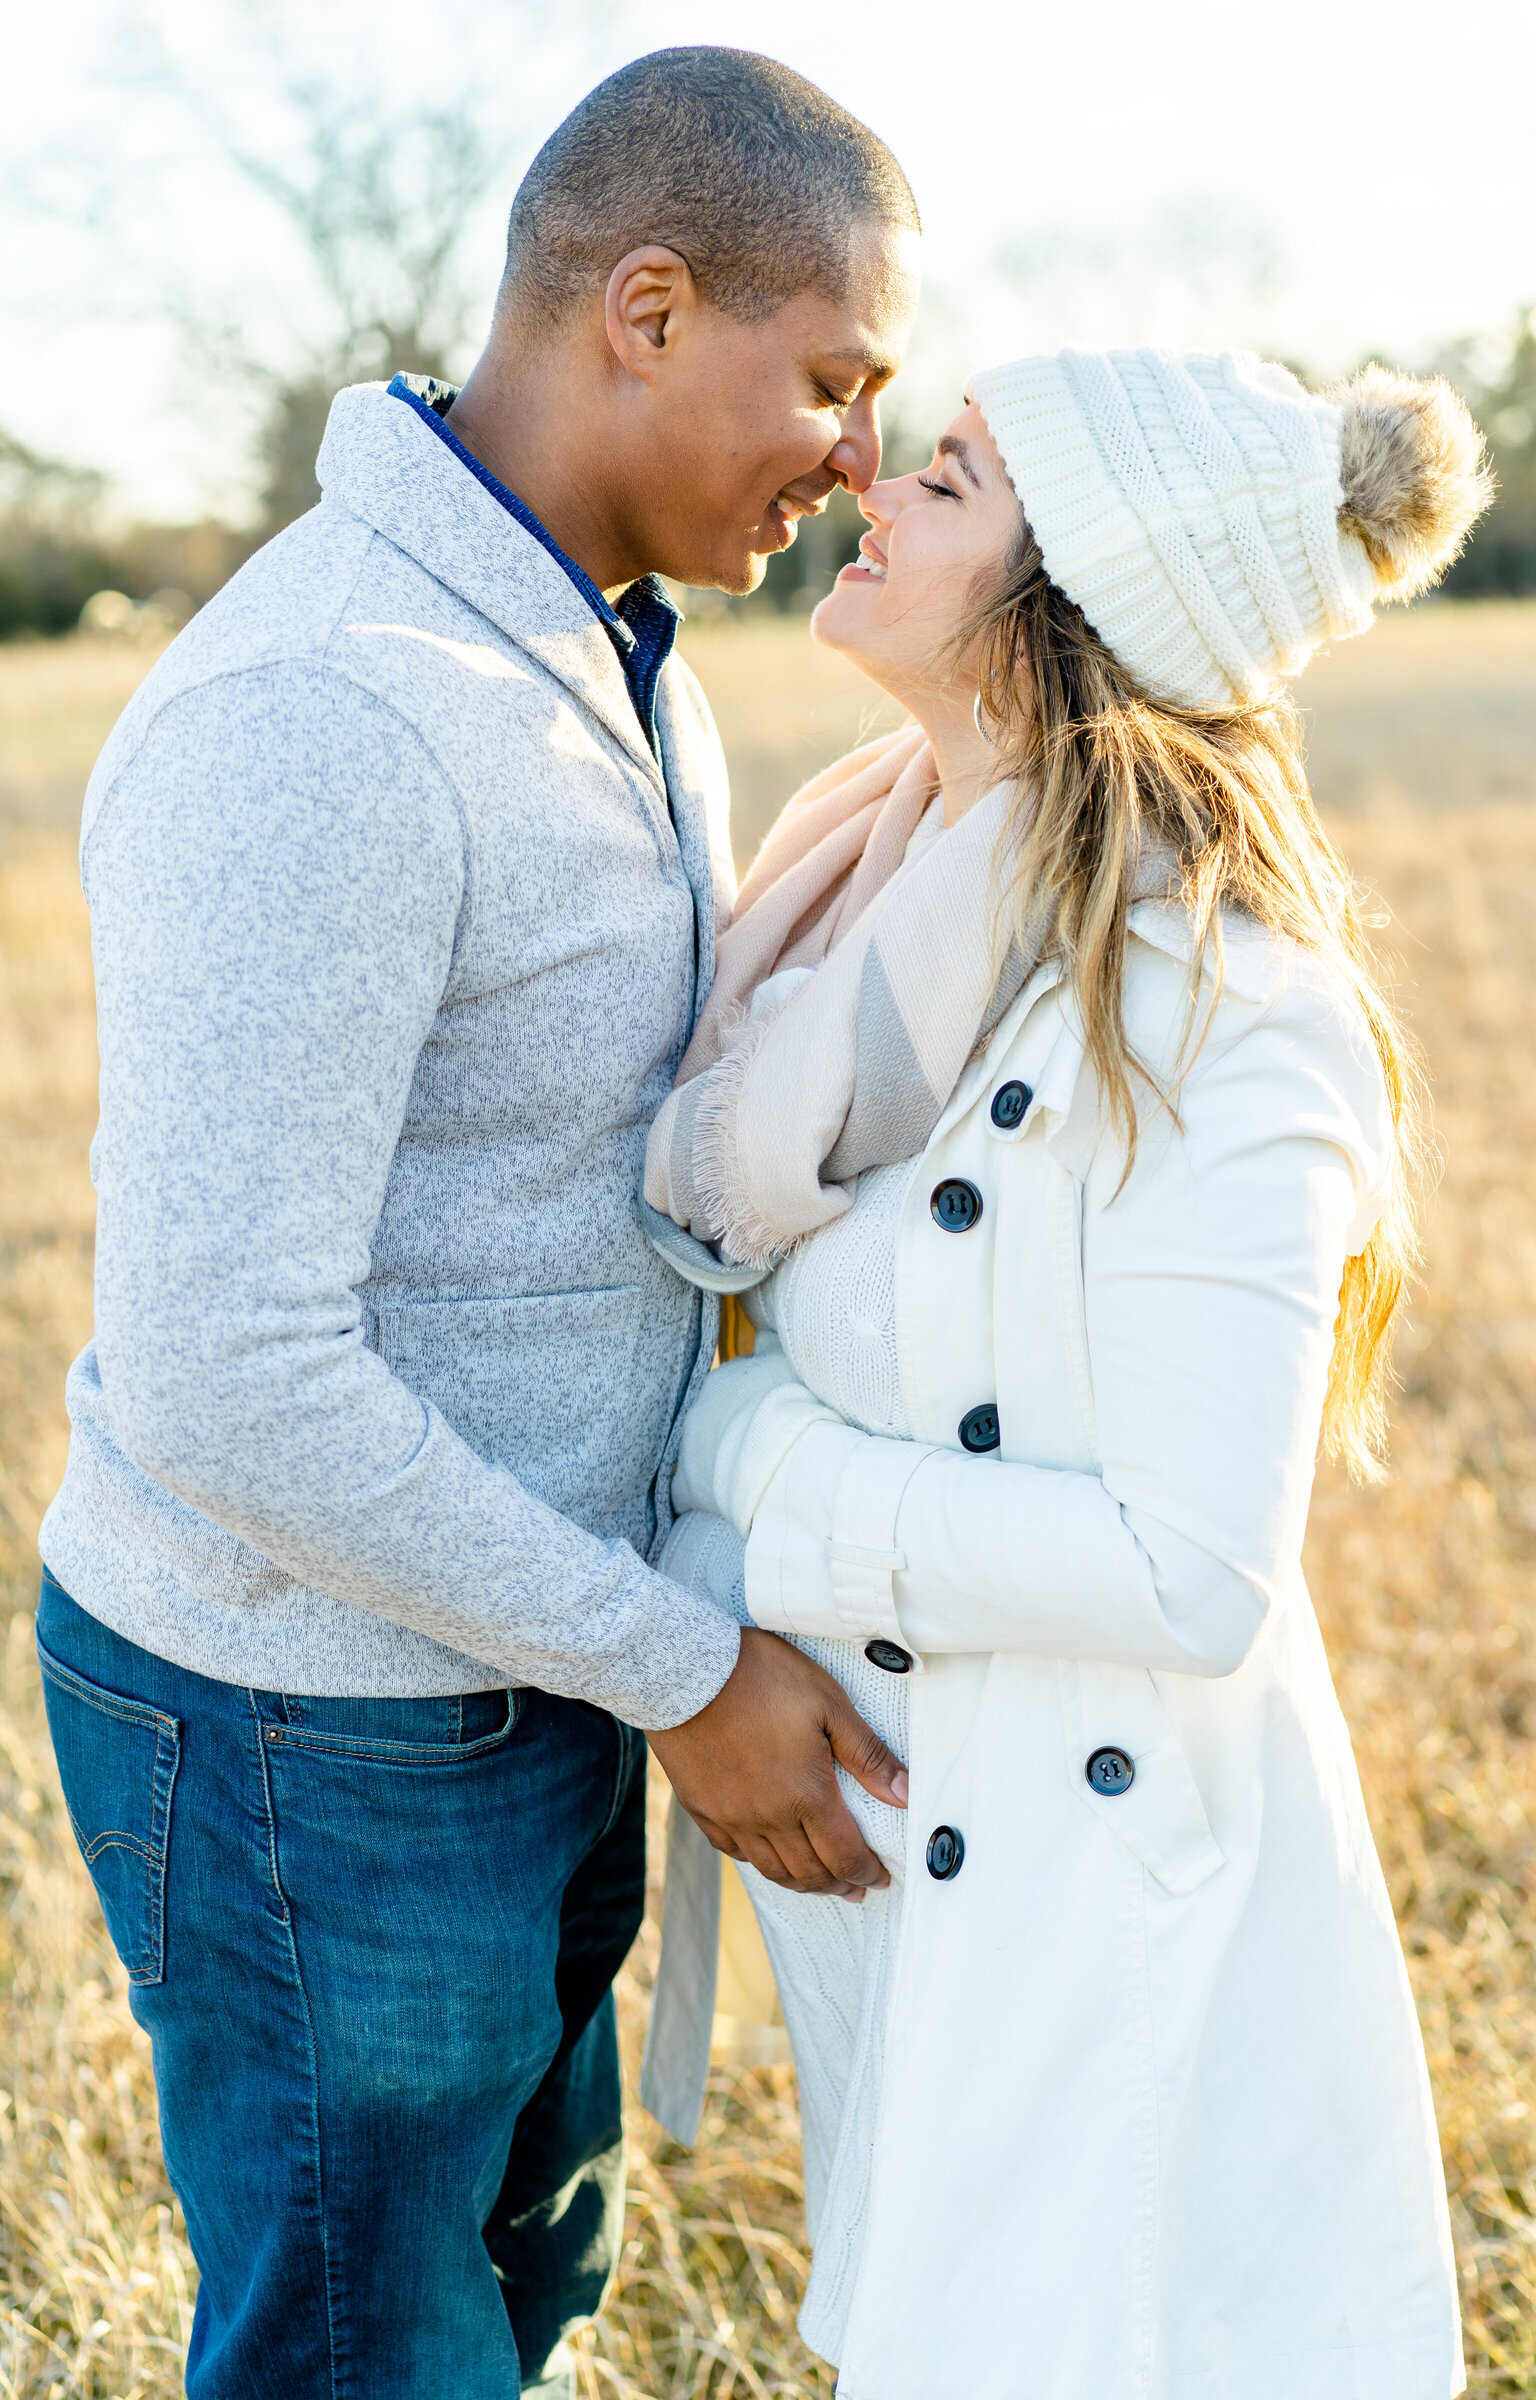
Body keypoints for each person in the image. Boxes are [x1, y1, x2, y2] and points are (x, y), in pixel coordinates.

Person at [35, 48, 921, 2399]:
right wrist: (683, 1671)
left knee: (505, 2305)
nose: (856, 454)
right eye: (830, 377)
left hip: (523, 1660)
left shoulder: (621, 661)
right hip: (307, 1719)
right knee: (367, 2352)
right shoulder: (332, 709)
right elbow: (233, 1373)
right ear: (644, 306)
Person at [643, 344, 1493, 2398]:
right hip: (916, 1868)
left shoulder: (1217, 1002)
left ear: (1074, 603)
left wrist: (750, 1473)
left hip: (1100, 1895)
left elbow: (1193, 1572)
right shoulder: (881, 895)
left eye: (946, 481)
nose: (870, 478)